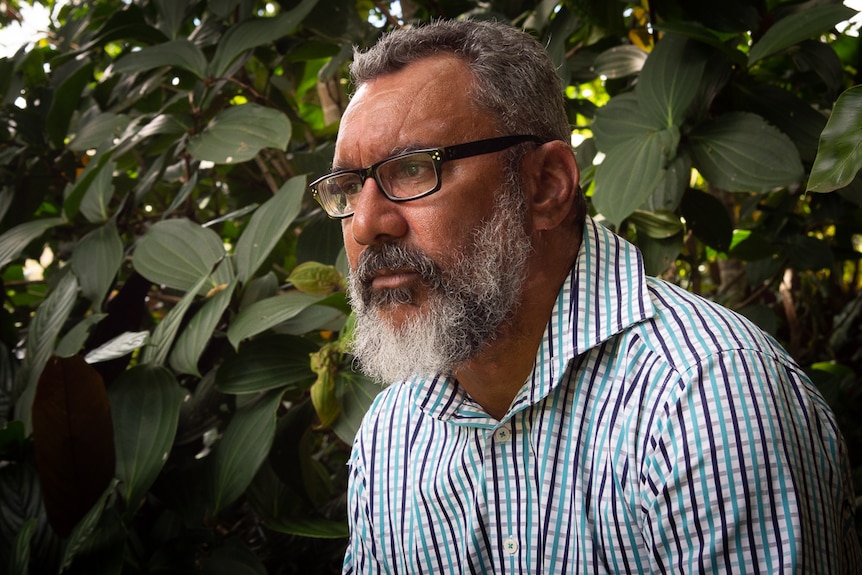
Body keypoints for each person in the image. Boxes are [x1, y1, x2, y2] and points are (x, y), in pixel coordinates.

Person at [308, 19, 861, 574]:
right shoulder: (392, 434)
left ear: (546, 185)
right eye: (350, 188)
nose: (366, 225)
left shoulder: (704, 396)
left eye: (412, 170)